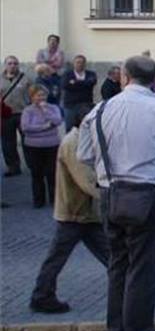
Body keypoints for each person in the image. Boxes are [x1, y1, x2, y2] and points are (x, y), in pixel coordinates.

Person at [77, 56, 155, 331]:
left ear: (125, 77)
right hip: (147, 194)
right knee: (144, 268)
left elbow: (84, 155)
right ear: (154, 80)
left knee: (118, 263)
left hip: (110, 192)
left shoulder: (99, 110)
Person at [29, 126, 111, 313]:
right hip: (75, 213)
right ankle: (41, 295)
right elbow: (86, 181)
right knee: (58, 256)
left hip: (83, 212)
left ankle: (129, 284)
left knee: (109, 252)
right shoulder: (74, 143)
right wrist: (111, 197)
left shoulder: (79, 140)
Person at [20, 84, 63, 208]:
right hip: (33, 146)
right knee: (36, 173)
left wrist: (46, 111)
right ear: (32, 97)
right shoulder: (28, 110)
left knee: (52, 173)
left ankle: (54, 199)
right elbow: (26, 127)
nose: (41, 98)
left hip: (51, 144)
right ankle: (39, 200)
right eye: (38, 95)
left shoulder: (53, 108)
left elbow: (57, 121)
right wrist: (44, 127)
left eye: (43, 95)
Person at [2, 55, 31, 177]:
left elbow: (33, 93)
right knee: (8, 143)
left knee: (27, 141)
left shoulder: (26, 79)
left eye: (15, 63)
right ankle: (13, 167)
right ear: (5, 65)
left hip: (22, 113)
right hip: (5, 115)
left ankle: (32, 164)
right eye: (10, 63)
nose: (12, 65)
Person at [61, 55, 97, 130]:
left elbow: (91, 83)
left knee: (87, 127)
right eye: (78, 62)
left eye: (82, 62)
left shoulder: (91, 74)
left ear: (85, 64)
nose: (80, 64)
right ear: (74, 63)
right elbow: (65, 85)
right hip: (70, 106)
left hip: (86, 104)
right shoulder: (67, 74)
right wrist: (84, 84)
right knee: (70, 128)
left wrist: (75, 83)